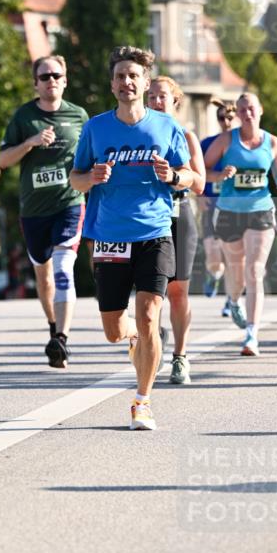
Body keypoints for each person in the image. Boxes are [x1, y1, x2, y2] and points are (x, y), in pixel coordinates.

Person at [70, 45, 192, 430]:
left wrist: (172, 176)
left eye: (134, 76)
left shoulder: (167, 127)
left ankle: (143, 401)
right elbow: (75, 178)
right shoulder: (96, 127)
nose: (127, 82)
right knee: (113, 329)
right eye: (121, 76)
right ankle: (134, 337)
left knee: (150, 312)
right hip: (108, 234)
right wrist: (91, 179)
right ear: (112, 84)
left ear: (145, 83)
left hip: (155, 231)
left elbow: (190, 176)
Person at [0, 55, 88, 368]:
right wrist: (30, 143)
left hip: (69, 204)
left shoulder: (78, 115)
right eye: (45, 76)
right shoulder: (24, 116)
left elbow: (90, 157)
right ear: (36, 83)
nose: (51, 81)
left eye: (56, 75)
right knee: (44, 275)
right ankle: (53, 327)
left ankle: (61, 339)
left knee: (63, 269)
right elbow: (3, 160)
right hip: (34, 210)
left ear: (65, 80)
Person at [203, 92, 277, 356]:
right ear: (237, 114)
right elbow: (202, 170)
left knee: (255, 271)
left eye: (251, 108)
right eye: (242, 110)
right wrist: (219, 174)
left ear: (260, 110)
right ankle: (232, 300)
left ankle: (252, 334)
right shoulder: (225, 140)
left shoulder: (273, 142)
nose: (247, 113)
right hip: (229, 212)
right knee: (236, 271)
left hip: (260, 210)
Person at [146, 76, 205, 385]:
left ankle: (180, 357)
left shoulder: (186, 136)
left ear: (175, 102)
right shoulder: (138, 134)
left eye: (162, 97)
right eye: (151, 96)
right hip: (144, 218)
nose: (156, 101)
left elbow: (201, 182)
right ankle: (152, 343)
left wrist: (174, 176)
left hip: (179, 215)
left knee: (178, 291)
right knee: (151, 291)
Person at [200, 101, 238, 313]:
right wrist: (200, 195)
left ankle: (230, 301)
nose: (226, 122)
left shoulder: (245, 144)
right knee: (214, 256)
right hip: (212, 203)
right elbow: (197, 171)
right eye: (221, 118)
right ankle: (214, 275)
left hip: (236, 206)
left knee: (233, 255)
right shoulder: (207, 143)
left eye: (230, 117)